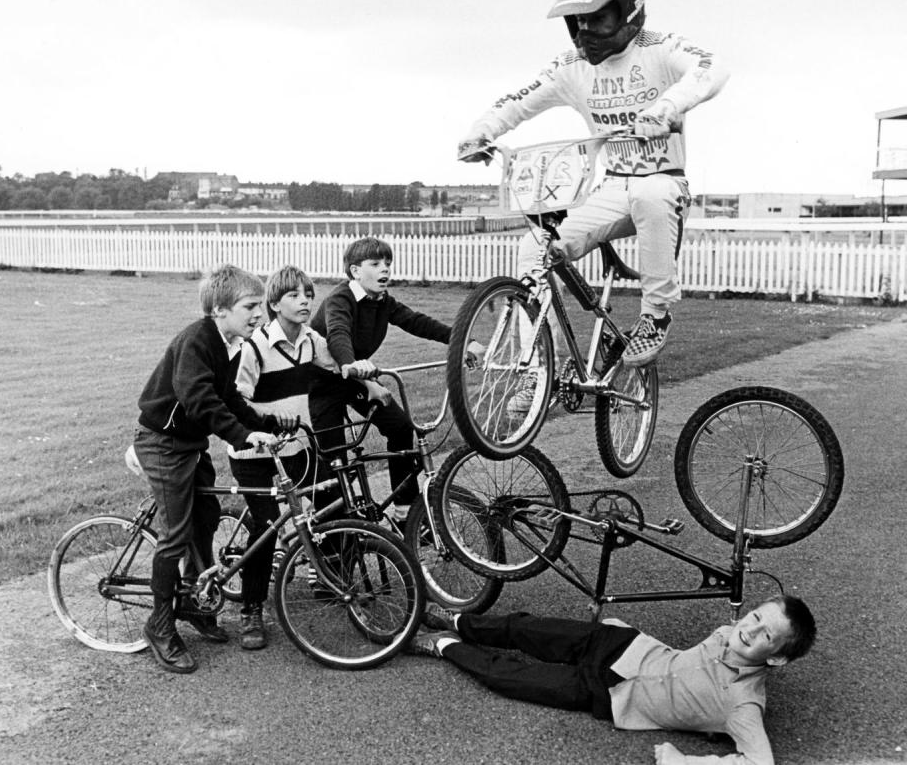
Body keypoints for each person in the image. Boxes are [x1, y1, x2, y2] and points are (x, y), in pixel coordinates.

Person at [458, 0, 730, 412]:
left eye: (596, 18)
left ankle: (655, 315)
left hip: (663, 185)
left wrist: (668, 107)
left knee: (650, 190)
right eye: (575, 21)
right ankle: (539, 368)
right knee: (535, 248)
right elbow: (518, 100)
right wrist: (480, 133)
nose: (584, 31)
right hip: (611, 189)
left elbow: (712, 68)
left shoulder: (659, 49)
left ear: (629, 11)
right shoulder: (573, 67)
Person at [409, 596, 816, 765]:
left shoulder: (743, 706)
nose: (750, 629)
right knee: (526, 629)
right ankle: (460, 621)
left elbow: (759, 763)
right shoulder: (730, 632)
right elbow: (682, 661)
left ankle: (444, 645)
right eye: (757, 616)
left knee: (511, 677)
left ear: (777, 656)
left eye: (766, 635)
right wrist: (631, 631)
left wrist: (683, 760)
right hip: (618, 646)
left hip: (609, 696)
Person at [133, 264, 292, 674]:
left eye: (260, 306)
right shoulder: (198, 341)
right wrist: (242, 438)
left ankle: (190, 601)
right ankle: (161, 625)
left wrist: (268, 424)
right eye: (250, 306)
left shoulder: (227, 344)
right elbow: (199, 400)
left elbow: (230, 402)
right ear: (220, 309)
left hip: (189, 445)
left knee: (204, 519)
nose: (259, 314)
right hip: (163, 446)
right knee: (175, 534)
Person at [309, 236, 483, 524]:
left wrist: (465, 340)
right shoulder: (340, 299)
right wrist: (354, 366)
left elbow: (418, 322)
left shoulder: (383, 301)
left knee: (401, 428)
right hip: (324, 382)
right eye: (375, 264)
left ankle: (405, 512)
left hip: (354, 378)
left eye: (387, 263)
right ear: (354, 271)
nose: (384, 270)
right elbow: (337, 333)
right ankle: (332, 534)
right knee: (334, 459)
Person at [226, 264, 346, 650]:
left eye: (309, 295)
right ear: (274, 304)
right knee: (265, 530)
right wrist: (267, 426)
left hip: (296, 448)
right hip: (254, 452)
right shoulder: (253, 346)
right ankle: (251, 609)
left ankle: (325, 573)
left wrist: (370, 385)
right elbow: (236, 401)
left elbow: (338, 371)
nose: (305, 301)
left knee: (332, 499)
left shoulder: (312, 340)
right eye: (294, 295)